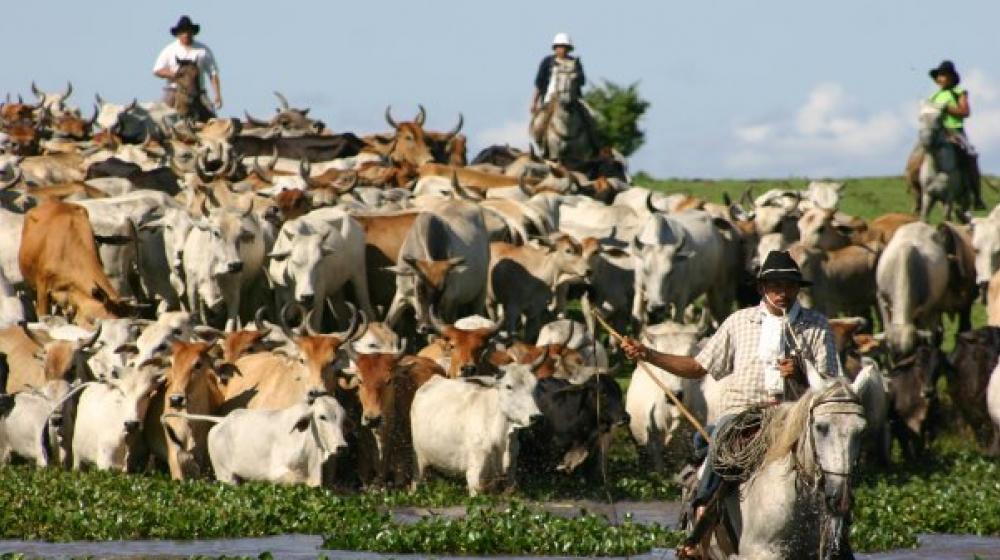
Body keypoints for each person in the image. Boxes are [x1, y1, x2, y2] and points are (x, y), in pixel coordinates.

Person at [621, 250, 841, 559]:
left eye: (789, 285)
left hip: (795, 415)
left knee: (836, 465)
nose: (783, 292)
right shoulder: (739, 322)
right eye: (775, 285)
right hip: (745, 413)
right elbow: (697, 367)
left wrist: (802, 374)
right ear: (762, 287)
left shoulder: (816, 325)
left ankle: (840, 534)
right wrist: (649, 355)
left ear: (797, 288)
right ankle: (701, 520)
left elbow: (829, 386)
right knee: (722, 439)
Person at [928, 60, 984, 210]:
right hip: (937, 132)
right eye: (939, 76)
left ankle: (977, 195)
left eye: (943, 75)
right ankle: (916, 189)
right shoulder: (934, 96)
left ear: (951, 77)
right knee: (918, 155)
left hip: (955, 131)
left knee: (970, 157)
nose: (940, 79)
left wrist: (947, 108)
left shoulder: (959, 92)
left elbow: (965, 111)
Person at [152, 15, 222, 114]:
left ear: (193, 33)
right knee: (160, 116)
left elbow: (213, 73)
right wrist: (174, 74)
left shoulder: (203, 50)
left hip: (199, 92)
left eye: (188, 31)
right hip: (174, 91)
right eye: (183, 32)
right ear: (178, 34)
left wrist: (217, 95)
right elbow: (157, 70)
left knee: (211, 115)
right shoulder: (169, 50)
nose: (186, 34)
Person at [531, 32, 585, 113]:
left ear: (569, 49)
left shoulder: (575, 62)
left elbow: (582, 81)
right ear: (555, 48)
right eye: (559, 47)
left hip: (574, 101)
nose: (562, 49)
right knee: (538, 120)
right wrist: (534, 102)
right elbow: (539, 84)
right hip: (549, 100)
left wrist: (575, 76)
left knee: (590, 116)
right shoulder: (547, 61)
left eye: (564, 47)